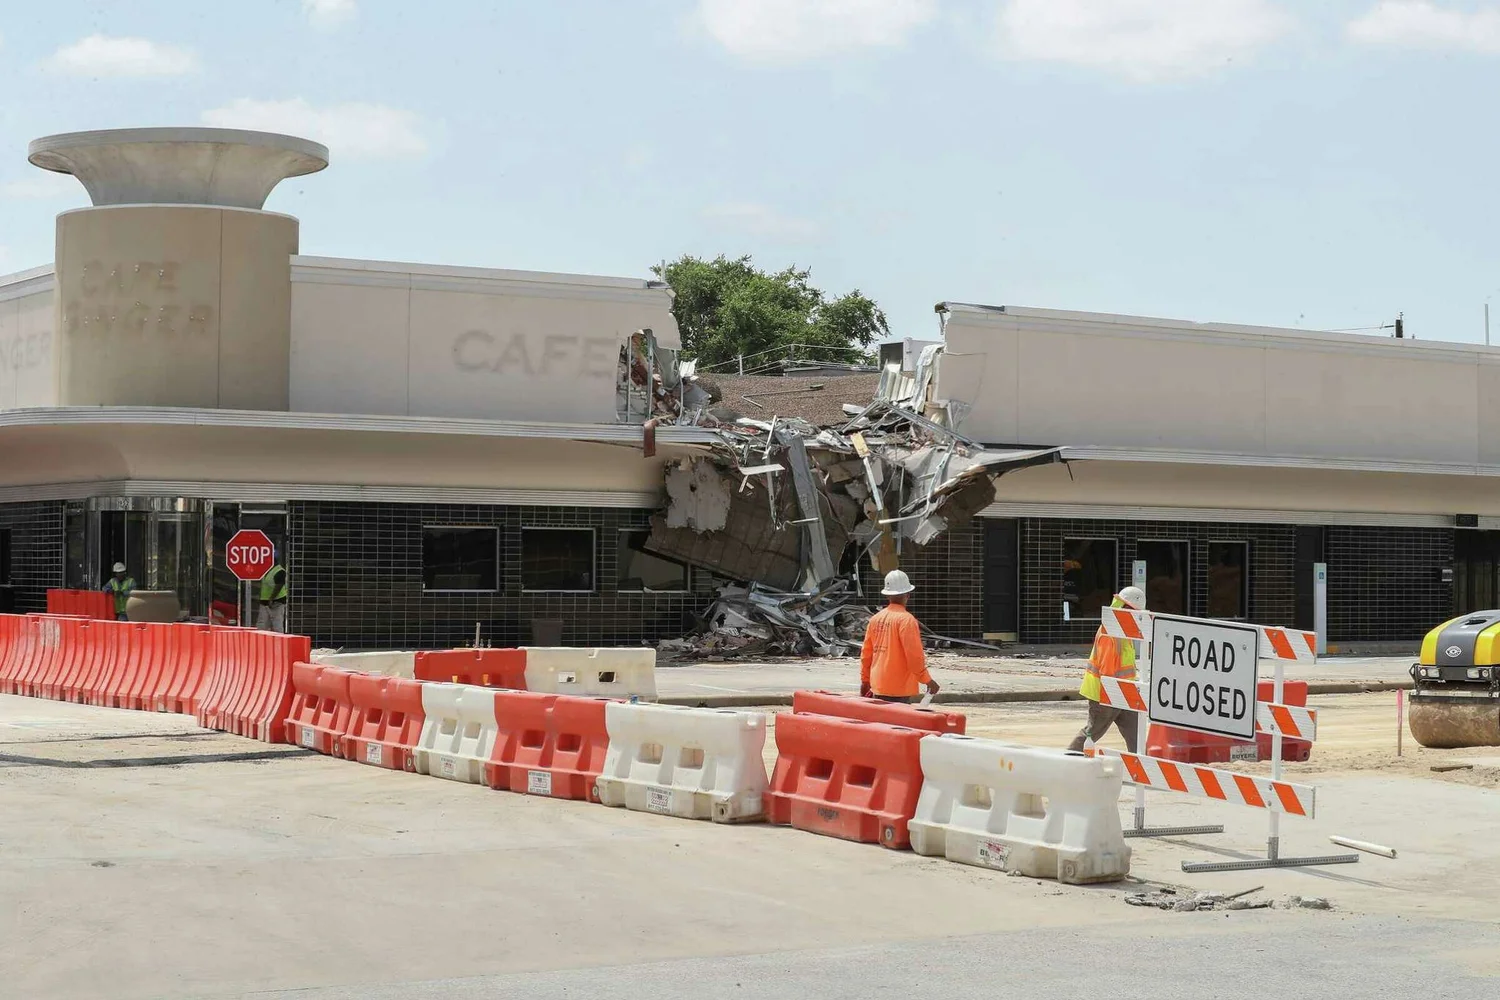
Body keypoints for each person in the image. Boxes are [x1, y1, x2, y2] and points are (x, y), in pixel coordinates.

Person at [1068, 586, 1146, 753]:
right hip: (1105, 694)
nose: (1136, 616)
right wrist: (1111, 693)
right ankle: (1069, 757)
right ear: (1125, 608)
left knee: (1136, 735)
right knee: (1092, 732)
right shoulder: (1110, 631)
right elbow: (1107, 668)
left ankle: (1140, 763)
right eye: (1134, 612)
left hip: (1124, 692)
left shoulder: (1124, 631)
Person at [860, 569, 940, 704]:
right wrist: (927, 680)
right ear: (908, 595)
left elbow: (866, 655)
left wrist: (865, 681)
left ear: (887, 595)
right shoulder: (906, 620)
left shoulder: (875, 619)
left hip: (878, 685)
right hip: (899, 688)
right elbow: (914, 656)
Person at [256, 553, 288, 633]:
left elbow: (278, 586)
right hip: (265, 601)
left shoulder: (279, 571)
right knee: (262, 626)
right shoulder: (266, 570)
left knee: (277, 625)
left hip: (276, 602)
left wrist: (271, 599)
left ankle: (279, 641)